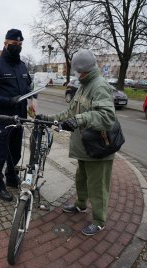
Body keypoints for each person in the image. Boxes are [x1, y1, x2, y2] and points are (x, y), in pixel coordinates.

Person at [37, 49, 116, 235]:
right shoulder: (83, 85)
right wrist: (48, 118)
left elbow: (107, 116)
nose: (75, 74)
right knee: (81, 179)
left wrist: (80, 120)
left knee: (98, 186)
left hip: (98, 148)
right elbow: (69, 112)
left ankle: (99, 220)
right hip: (85, 147)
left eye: (77, 71)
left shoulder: (99, 86)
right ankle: (80, 205)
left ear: (85, 70)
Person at [0, 29, 36, 202]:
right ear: (5, 43)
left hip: (19, 118)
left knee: (15, 152)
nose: (17, 47)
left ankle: (12, 178)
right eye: (14, 44)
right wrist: (6, 100)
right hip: (3, 119)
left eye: (20, 45)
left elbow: (27, 87)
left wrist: (32, 96)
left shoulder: (22, 65)